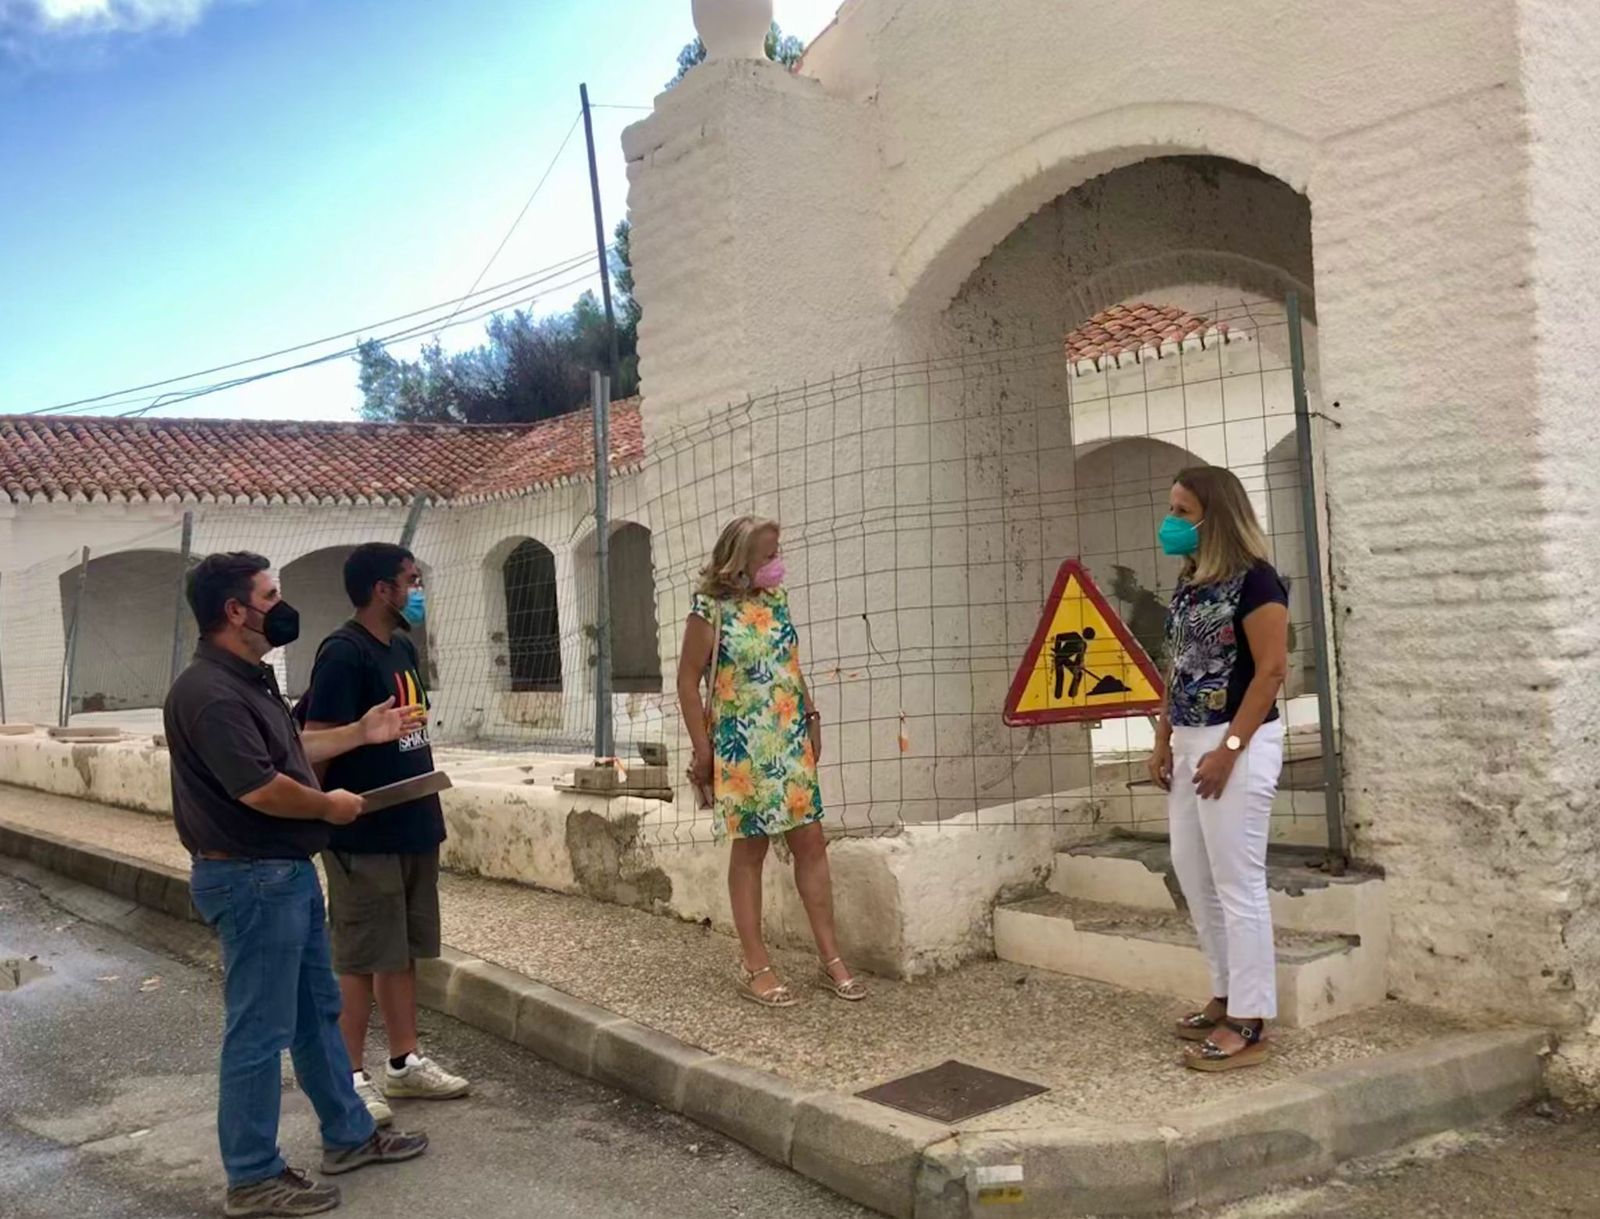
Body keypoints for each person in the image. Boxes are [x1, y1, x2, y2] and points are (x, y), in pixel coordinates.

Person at [164, 552, 428, 1218]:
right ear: (235, 610)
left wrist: (362, 732)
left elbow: (289, 752)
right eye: (269, 595)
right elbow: (258, 785)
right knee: (258, 1030)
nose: (280, 606)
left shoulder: (248, 679)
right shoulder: (209, 692)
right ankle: (252, 1175)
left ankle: (347, 1133)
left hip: (283, 873)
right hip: (251, 877)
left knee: (315, 1013)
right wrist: (329, 806)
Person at [300, 543, 468, 1127]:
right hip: (363, 830)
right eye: (410, 581)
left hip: (413, 819)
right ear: (381, 589)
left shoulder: (399, 646)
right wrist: (317, 814)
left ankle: (404, 1061)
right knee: (361, 957)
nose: (417, 591)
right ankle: (349, 1077)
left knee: (402, 952)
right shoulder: (343, 655)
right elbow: (314, 741)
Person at [675, 515, 866, 1007]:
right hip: (741, 746)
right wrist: (703, 750)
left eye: (776, 553)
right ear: (740, 562)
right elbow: (687, 682)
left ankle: (830, 958)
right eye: (768, 555)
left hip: (788, 736)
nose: (777, 564)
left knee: (811, 842)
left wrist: (811, 714)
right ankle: (756, 964)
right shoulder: (709, 610)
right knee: (751, 851)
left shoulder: (775, 600)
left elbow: (789, 665)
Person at [1147, 467, 1290, 1072]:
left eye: (1183, 511)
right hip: (1188, 743)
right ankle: (1225, 991)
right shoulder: (1190, 582)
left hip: (1239, 741)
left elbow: (1272, 672)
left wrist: (1228, 751)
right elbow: (1176, 666)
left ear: (1216, 516)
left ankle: (1252, 1021)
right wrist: (1162, 738)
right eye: (1172, 508)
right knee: (1193, 872)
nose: (1171, 521)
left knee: (1237, 880)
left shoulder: (1258, 583)